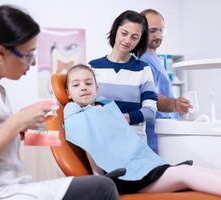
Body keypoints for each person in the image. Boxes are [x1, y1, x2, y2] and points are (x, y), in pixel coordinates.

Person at [0, 5, 119, 200]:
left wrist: (49, 136)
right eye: (28, 54)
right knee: (101, 188)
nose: (33, 62)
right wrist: (17, 121)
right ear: (0, 53)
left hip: (1, 189)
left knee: (104, 185)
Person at [63, 64, 221, 196]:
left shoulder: (104, 109)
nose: (83, 88)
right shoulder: (77, 116)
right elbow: (90, 147)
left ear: (97, 89)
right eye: (76, 85)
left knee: (194, 170)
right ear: (68, 93)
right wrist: (100, 180)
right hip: (125, 178)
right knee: (185, 174)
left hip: (141, 167)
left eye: (88, 83)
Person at [89, 10, 157, 141]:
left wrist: (118, 118)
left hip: (133, 141)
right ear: (115, 30)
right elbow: (86, 106)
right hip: (102, 140)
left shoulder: (143, 69)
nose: (127, 40)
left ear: (140, 40)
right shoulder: (92, 67)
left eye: (134, 37)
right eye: (124, 33)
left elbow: (150, 112)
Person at [140, 9, 192, 153]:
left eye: (161, 31)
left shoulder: (154, 57)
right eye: (153, 31)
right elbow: (149, 97)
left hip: (167, 130)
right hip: (156, 136)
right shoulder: (143, 60)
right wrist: (173, 105)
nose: (158, 35)